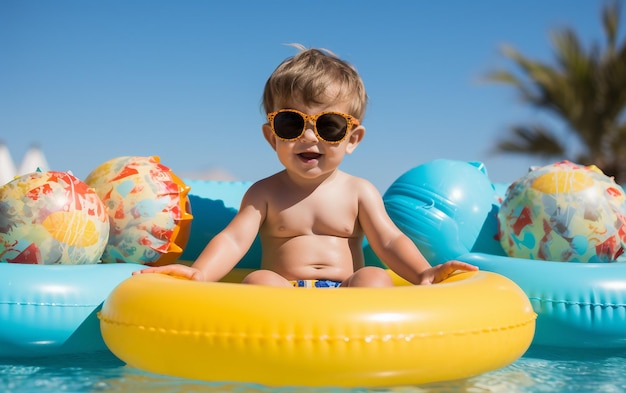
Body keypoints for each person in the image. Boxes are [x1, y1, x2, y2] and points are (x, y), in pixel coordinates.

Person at [135, 45, 477, 287]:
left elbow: (389, 241)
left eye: (329, 126)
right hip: (283, 293)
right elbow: (234, 239)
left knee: (374, 277)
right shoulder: (264, 193)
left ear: (352, 139)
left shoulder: (359, 192)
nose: (309, 138)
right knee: (258, 280)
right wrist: (201, 272)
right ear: (272, 137)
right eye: (290, 124)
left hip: (346, 292)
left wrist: (422, 274)